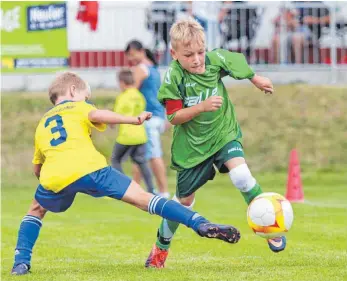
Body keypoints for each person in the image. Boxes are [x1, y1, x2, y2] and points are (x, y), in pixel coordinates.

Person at [11, 72, 241, 276]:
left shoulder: (42, 123)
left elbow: (37, 168)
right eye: (85, 96)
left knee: (36, 209)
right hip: (92, 169)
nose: (87, 101)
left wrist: (52, 184)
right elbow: (99, 115)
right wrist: (133, 119)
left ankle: (20, 263)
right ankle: (199, 223)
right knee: (145, 200)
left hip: (55, 176)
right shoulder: (78, 106)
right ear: (72, 91)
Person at [145, 18, 286, 269]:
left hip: (223, 133)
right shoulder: (173, 77)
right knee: (183, 203)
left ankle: (270, 227)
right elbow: (173, 117)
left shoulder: (214, 59)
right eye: (189, 55)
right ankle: (161, 248)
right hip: (192, 148)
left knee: (241, 175)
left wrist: (256, 79)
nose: (197, 59)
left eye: (200, 52)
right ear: (174, 54)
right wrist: (200, 107)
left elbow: (236, 63)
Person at [125, 40, 170, 199]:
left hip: (148, 118)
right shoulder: (153, 68)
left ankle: (163, 192)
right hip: (157, 116)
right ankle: (134, 190)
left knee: (153, 155)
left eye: (131, 54)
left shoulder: (141, 68)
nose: (130, 58)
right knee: (141, 155)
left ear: (140, 51)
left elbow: (130, 92)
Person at [110, 68, 156, 194]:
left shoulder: (123, 97)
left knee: (115, 160)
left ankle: (124, 187)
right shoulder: (139, 95)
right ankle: (151, 189)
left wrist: (111, 124)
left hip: (127, 135)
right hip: (140, 135)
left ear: (122, 82)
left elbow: (116, 116)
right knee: (141, 162)